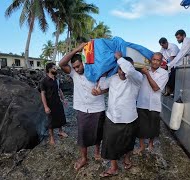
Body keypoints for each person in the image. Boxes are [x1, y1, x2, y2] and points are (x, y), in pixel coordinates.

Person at [58, 43, 107, 171]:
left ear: (83, 63)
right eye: (74, 67)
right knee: (82, 135)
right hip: (82, 109)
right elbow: (61, 64)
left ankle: (97, 152)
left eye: (78, 66)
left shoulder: (96, 70)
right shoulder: (74, 73)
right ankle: (84, 158)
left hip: (98, 107)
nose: (77, 69)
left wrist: (100, 92)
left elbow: (107, 87)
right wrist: (77, 49)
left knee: (98, 133)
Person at [99, 52, 143, 178]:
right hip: (112, 117)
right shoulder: (113, 78)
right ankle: (113, 167)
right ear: (117, 68)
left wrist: (119, 58)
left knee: (128, 142)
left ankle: (127, 159)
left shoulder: (136, 79)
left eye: (124, 69)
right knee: (110, 143)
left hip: (129, 118)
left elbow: (129, 70)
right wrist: (103, 73)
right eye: (120, 69)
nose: (122, 72)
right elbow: (102, 85)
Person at [134, 52, 169, 154]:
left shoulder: (164, 73)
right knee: (140, 126)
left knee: (153, 127)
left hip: (154, 104)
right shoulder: (143, 69)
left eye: (158, 60)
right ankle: (141, 146)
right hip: (141, 102)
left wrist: (147, 74)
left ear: (161, 62)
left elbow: (155, 88)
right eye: (154, 59)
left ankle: (150, 143)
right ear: (150, 60)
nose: (155, 62)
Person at [166, 29, 190, 95]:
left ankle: (170, 88)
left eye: (178, 38)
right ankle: (171, 88)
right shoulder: (185, 42)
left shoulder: (187, 41)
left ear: (183, 35)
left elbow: (181, 55)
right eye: (176, 38)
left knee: (174, 69)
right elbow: (182, 56)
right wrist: (171, 65)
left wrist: (168, 65)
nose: (177, 40)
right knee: (174, 68)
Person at [40, 62, 68, 146]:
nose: (56, 69)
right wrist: (45, 107)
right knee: (50, 121)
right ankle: (52, 137)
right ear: (49, 69)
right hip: (49, 103)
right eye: (54, 68)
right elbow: (42, 94)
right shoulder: (44, 81)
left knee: (60, 116)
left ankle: (60, 131)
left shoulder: (57, 79)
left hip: (58, 102)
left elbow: (59, 90)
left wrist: (64, 99)